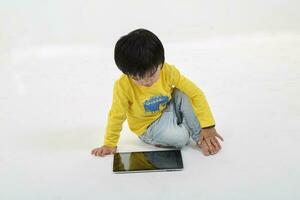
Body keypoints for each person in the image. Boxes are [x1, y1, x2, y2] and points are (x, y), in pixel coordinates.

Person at [91, 29, 223, 157]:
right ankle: (185, 125)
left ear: (161, 63)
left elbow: (196, 93)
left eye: (152, 75)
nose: (145, 82)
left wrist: (208, 125)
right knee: (182, 139)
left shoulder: (168, 71)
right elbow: (116, 115)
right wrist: (109, 143)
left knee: (184, 93)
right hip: (148, 126)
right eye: (136, 78)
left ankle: (200, 137)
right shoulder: (123, 86)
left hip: (167, 107)